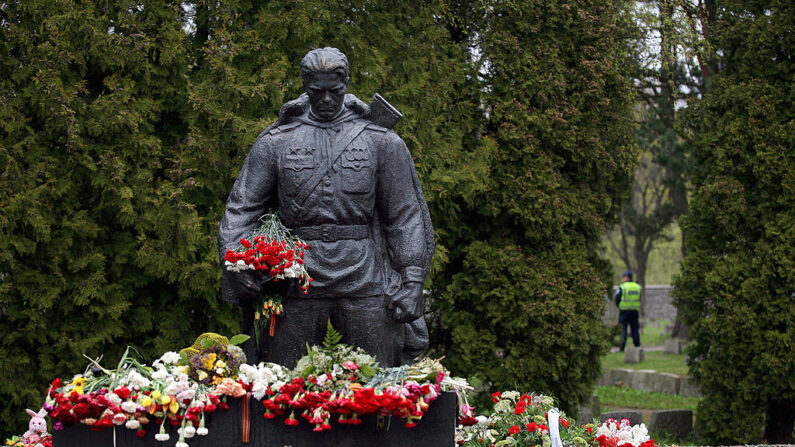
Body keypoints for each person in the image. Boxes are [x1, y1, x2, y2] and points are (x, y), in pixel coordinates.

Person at [218, 48, 434, 368]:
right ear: (305, 85)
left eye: (334, 91)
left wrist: (413, 281)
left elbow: (404, 215)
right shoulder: (277, 140)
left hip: (365, 276)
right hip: (297, 279)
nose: (327, 100)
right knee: (282, 382)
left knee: (379, 384)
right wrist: (235, 263)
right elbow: (242, 209)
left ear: (345, 82)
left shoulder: (381, 141)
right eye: (317, 92)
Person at [615, 270, 641, 351]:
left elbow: (617, 299)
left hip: (624, 311)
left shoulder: (623, 287)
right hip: (634, 311)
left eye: (624, 277)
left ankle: (622, 346)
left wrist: (619, 306)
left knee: (623, 329)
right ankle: (637, 345)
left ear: (627, 277)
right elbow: (639, 298)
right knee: (635, 329)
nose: (623, 278)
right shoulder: (638, 287)